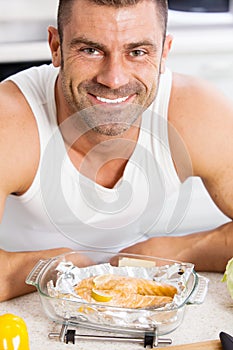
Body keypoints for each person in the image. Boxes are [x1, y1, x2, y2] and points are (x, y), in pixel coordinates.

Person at [0, 0, 232, 302]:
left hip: (140, 295)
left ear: (164, 53)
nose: (114, 79)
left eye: (137, 52)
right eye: (90, 50)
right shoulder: (10, 120)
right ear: (56, 46)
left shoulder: (198, 111)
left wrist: (175, 250)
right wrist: (59, 266)